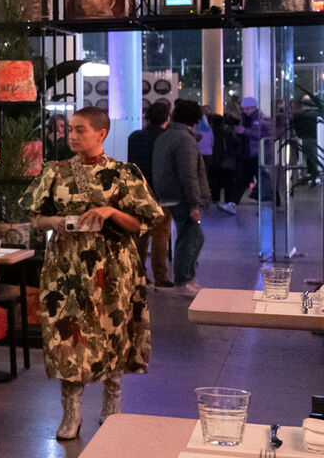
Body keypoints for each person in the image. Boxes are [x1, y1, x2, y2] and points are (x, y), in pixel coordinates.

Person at [24, 106, 161, 440]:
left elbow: (147, 221)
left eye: (80, 130)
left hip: (113, 266)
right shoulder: (54, 171)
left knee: (113, 330)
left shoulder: (124, 173)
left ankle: (111, 405)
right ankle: (71, 414)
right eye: (70, 129)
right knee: (68, 336)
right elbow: (34, 216)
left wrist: (112, 211)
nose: (72, 135)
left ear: (101, 133)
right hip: (66, 266)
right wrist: (54, 221)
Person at [153, 98, 212, 294]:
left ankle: (186, 277)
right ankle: (184, 279)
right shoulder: (185, 140)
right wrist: (195, 202)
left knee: (191, 236)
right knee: (191, 237)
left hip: (168, 193)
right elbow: (189, 174)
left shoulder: (166, 136)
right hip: (182, 196)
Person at [127, 101, 174, 288]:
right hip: (160, 190)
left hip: (138, 190)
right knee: (161, 234)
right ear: (167, 118)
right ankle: (160, 276)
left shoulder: (135, 137)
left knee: (140, 233)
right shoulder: (167, 139)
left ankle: (139, 274)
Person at [233, 96, 267, 209]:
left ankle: (273, 200)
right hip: (245, 153)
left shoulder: (262, 119)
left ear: (254, 107)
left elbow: (262, 135)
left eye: (248, 108)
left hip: (257, 153)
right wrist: (237, 132)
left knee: (262, 177)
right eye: (244, 109)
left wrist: (244, 131)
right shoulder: (241, 119)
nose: (246, 111)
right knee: (241, 179)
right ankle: (233, 203)